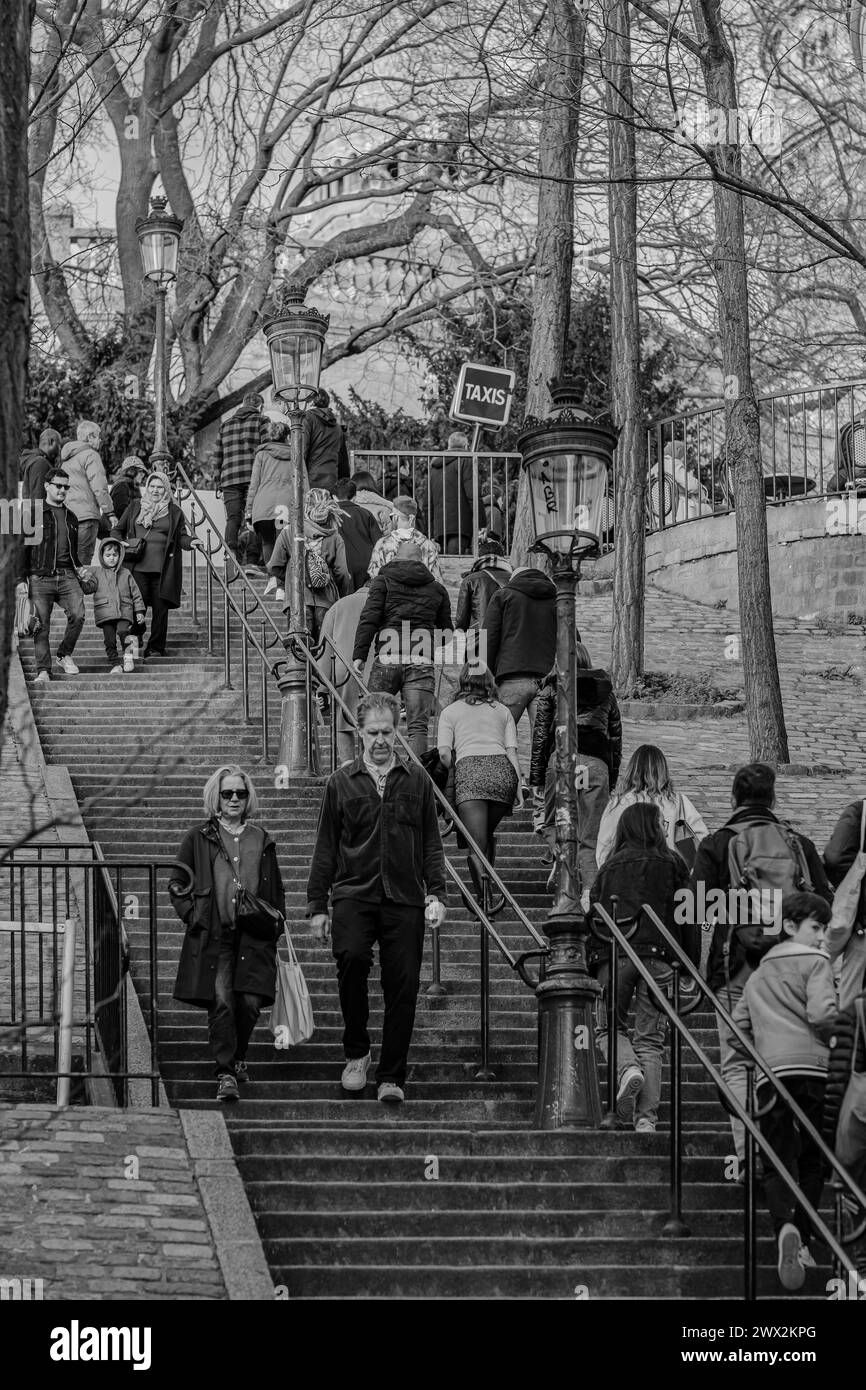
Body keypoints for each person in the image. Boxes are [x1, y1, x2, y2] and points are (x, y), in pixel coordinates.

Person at [307, 692, 447, 1103]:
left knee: (402, 985)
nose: (381, 740)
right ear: (360, 733)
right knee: (350, 959)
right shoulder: (340, 782)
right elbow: (326, 846)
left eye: (388, 731)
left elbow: (432, 844)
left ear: (398, 730)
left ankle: (392, 1075)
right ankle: (356, 1053)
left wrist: (437, 892)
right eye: (373, 732)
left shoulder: (418, 779)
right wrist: (317, 904)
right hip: (354, 892)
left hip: (404, 897)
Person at [694, 762, 832, 1171]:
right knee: (788, 1056)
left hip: (735, 965)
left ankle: (750, 1153)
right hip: (794, 966)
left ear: (734, 799)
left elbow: (695, 906)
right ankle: (791, 1153)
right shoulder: (798, 843)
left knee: (738, 1060)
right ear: (773, 799)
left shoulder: (718, 844)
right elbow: (823, 902)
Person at [730, 892, 836, 1290]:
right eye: (816, 927)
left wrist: (762, 1054)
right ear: (791, 926)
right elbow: (823, 1013)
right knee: (814, 1160)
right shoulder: (816, 962)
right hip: (812, 1072)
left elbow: (738, 1024)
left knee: (775, 1160)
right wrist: (837, 1041)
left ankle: (784, 1229)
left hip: (769, 1077)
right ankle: (804, 1238)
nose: (822, 936)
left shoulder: (757, 976)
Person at [168, 766, 286, 1105]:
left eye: (241, 793)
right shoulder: (198, 836)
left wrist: (276, 923)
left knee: (249, 1003)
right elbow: (178, 883)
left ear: (249, 798)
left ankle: (238, 1056)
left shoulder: (261, 838)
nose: (234, 799)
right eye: (227, 793)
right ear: (216, 797)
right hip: (216, 934)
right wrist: (194, 915)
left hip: (254, 934)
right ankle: (226, 1073)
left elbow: (276, 887)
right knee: (221, 1002)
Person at [589, 803, 696, 1132]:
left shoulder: (609, 867)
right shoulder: (674, 863)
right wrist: (689, 965)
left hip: (616, 955)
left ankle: (627, 1068)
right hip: (661, 956)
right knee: (651, 1039)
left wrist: (593, 963)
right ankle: (646, 1119)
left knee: (609, 1028)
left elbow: (595, 915)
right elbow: (688, 914)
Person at [530, 644, 622, 895]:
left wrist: (536, 778)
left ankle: (562, 859)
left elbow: (540, 736)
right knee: (590, 842)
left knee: (549, 824)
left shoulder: (551, 688)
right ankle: (589, 894)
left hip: (562, 759)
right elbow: (615, 739)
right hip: (596, 764)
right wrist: (611, 779)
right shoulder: (606, 692)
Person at [353, 539, 453, 758]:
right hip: (421, 659)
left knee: (375, 718)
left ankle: (374, 772)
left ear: (396, 557)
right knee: (418, 727)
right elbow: (447, 631)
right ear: (422, 560)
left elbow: (369, 618)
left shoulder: (382, 582)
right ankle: (415, 781)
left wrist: (359, 655)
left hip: (388, 657)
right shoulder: (437, 589)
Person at [436, 664, 521, 897]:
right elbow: (511, 751)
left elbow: (443, 753)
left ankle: (484, 900)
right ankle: (486, 888)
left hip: (470, 773)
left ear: (463, 681)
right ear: (489, 682)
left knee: (475, 843)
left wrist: (456, 769)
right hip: (503, 774)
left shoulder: (450, 712)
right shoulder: (502, 711)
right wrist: (519, 788)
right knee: (483, 837)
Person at [113, 470, 197, 659]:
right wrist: (120, 543)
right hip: (137, 568)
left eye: (160, 487)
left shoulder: (174, 511)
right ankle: (133, 644)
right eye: (152, 486)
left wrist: (191, 542)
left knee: (161, 610)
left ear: (166, 489)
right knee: (135, 609)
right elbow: (117, 530)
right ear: (147, 487)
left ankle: (155, 648)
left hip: (163, 569)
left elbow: (181, 536)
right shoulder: (135, 506)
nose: (155, 490)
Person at [480, 563, 557, 757]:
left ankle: (503, 784)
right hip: (546, 680)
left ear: (514, 579)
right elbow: (572, 639)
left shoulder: (504, 595)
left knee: (494, 740)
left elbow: (487, 638)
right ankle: (539, 786)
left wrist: (483, 677)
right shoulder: (556, 599)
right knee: (543, 745)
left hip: (511, 678)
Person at [19, 468, 88, 682]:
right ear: (47, 485)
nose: (62, 490)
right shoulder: (34, 513)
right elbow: (23, 549)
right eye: (58, 485)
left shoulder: (72, 517)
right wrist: (20, 579)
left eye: (66, 487)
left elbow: (72, 550)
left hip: (67, 575)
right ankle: (43, 671)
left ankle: (64, 654)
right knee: (41, 625)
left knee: (78, 614)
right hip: (40, 576)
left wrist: (80, 568)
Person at [596, 744, 708, 868]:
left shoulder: (619, 803)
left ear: (633, 769)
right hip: (670, 876)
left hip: (631, 876)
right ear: (662, 769)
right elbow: (702, 839)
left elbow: (604, 846)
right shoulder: (678, 801)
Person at [317, 582, 374, 765]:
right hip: (374, 668)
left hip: (343, 667)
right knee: (373, 720)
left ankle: (347, 765)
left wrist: (322, 687)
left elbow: (325, 648)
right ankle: (370, 765)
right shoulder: (382, 602)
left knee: (343, 720)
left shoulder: (338, 605)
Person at [213, 391, 268, 562]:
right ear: (260, 406)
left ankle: (230, 554)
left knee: (233, 519)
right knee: (255, 517)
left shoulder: (225, 425)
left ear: (243, 404)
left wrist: (217, 482)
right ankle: (252, 559)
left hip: (229, 479)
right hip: (254, 478)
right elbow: (267, 449)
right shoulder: (262, 420)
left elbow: (217, 456)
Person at [823, 799, 866, 1009]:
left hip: (864, 930)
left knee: (852, 1007)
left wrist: (855, 886)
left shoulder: (861, 811)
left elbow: (834, 858)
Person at [83, 538, 145, 673]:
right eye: (108, 555)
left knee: (124, 632)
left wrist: (139, 610)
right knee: (109, 640)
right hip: (105, 612)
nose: (111, 558)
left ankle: (129, 658)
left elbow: (136, 593)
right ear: (102, 556)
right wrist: (81, 580)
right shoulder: (97, 573)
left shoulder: (126, 573)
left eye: (114, 555)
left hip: (124, 610)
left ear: (120, 556)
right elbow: (88, 588)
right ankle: (115, 664)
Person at [59, 420, 116, 563]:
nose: (100, 440)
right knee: (84, 563)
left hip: (68, 518)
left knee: (71, 562)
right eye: (98, 436)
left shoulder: (66, 461)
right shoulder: (91, 455)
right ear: (90, 437)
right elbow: (100, 488)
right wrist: (110, 513)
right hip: (86, 518)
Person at [245, 417, 294, 568]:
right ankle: (283, 582)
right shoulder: (295, 455)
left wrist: (249, 511)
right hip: (285, 508)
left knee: (267, 542)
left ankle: (272, 578)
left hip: (263, 507)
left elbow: (254, 485)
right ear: (287, 436)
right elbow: (302, 483)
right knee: (285, 543)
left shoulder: (261, 455)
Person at [367, 495, 443, 582]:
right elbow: (437, 579)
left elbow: (374, 575)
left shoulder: (382, 544)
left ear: (395, 518)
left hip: (391, 594)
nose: (392, 520)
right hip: (420, 595)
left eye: (393, 517)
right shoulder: (428, 546)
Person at [429, 431, 483, 554]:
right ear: (465, 446)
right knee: (456, 560)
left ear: (448, 447)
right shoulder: (466, 460)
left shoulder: (434, 466)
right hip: (460, 524)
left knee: (443, 565)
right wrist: (481, 523)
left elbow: (428, 501)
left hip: (439, 526)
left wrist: (430, 530)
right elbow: (472, 494)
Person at [454, 535, 512, 633]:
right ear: (502, 558)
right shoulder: (514, 578)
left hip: (479, 637)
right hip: (507, 637)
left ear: (480, 558)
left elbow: (461, 620)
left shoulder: (470, 580)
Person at [333, 477, 382, 590]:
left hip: (341, 565)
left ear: (334, 497)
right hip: (366, 565)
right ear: (355, 497)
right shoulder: (366, 514)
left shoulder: (331, 516)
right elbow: (378, 542)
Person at [302, 388, 347, 492]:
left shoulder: (307, 418)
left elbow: (301, 451)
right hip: (332, 480)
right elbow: (343, 460)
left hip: (311, 480)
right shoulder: (337, 427)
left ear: (311, 402)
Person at [20, 428, 62, 500]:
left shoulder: (38, 461)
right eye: (59, 445)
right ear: (51, 442)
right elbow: (38, 498)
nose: (60, 449)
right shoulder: (40, 463)